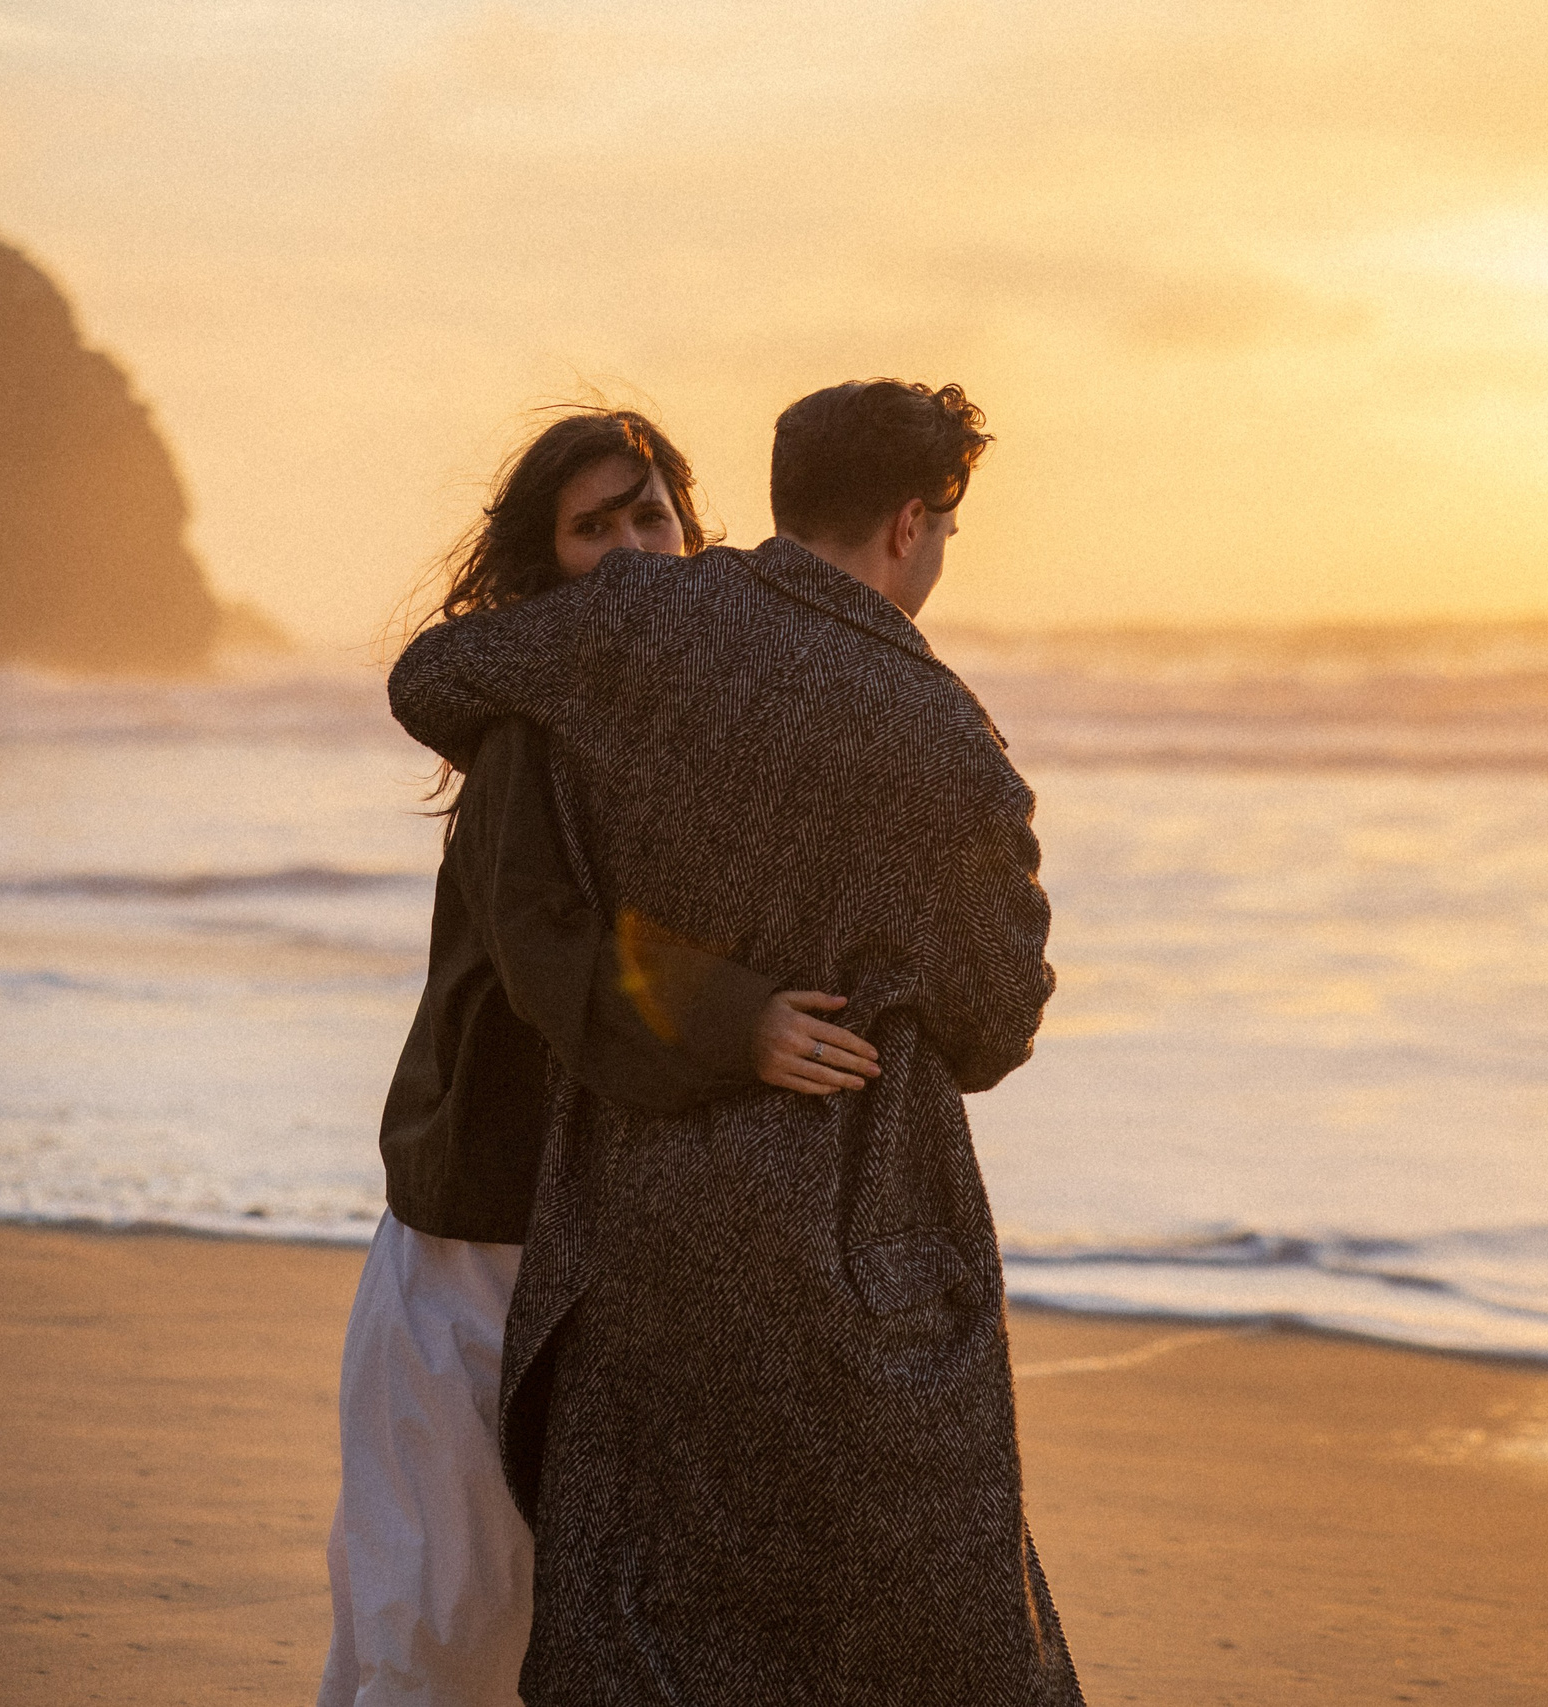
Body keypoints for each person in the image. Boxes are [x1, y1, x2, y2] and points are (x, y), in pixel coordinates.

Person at [387, 380, 1079, 1705]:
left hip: (638, 1211)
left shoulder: (635, 620)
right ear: (909, 521)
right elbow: (995, 1024)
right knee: (912, 1634)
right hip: (862, 1216)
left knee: (642, 1626)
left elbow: (434, 681)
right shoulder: (951, 741)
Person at [323, 409, 882, 1707]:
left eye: (650, 515)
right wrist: (746, 1021)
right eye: (593, 527)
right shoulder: (529, 727)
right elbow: (551, 950)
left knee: (578, 1624)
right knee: (439, 1616)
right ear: (541, 564)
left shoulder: (713, 724)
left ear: (693, 533)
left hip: (622, 1236)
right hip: (480, 1224)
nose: (631, 548)